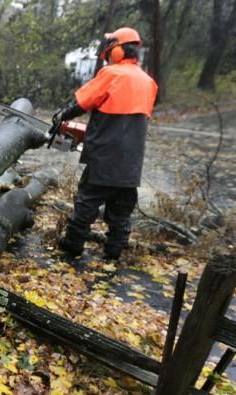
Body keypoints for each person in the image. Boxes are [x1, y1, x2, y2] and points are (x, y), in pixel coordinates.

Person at [56, 27, 158, 260]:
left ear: (119, 51)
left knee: (86, 202)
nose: (110, 56)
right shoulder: (149, 82)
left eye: (111, 51)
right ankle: (114, 251)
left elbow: (82, 102)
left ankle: (73, 245)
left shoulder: (112, 75)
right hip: (132, 160)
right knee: (121, 210)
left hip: (104, 155)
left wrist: (63, 115)